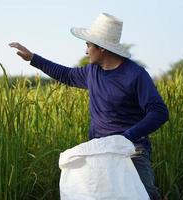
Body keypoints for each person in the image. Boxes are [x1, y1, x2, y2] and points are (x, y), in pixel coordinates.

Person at [9, 13, 169, 200]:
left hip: (131, 151)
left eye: (88, 45)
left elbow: (159, 112)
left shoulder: (135, 75)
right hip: (99, 151)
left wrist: (126, 137)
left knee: (144, 195)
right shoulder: (92, 72)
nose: (85, 51)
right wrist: (33, 58)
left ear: (101, 48)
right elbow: (66, 74)